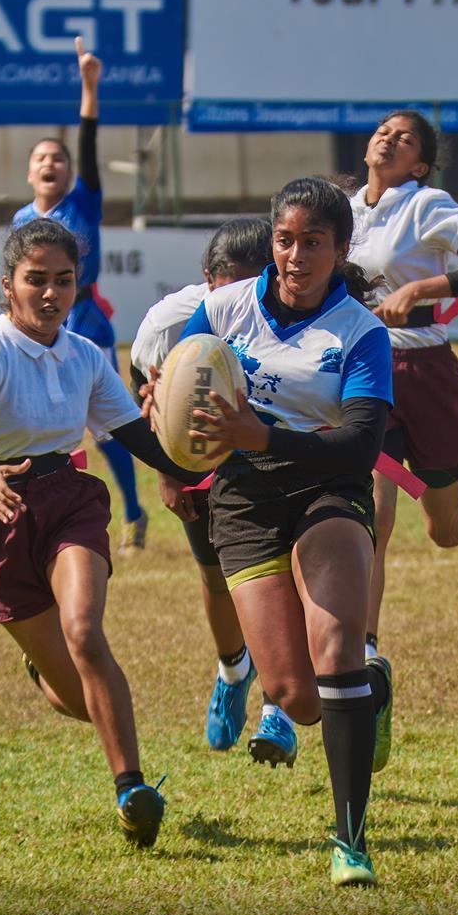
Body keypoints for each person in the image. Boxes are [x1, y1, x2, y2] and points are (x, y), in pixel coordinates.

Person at [145, 177, 394, 886]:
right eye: (285, 239)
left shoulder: (361, 333)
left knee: (338, 645)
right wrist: (163, 402)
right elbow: (184, 391)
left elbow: (358, 446)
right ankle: (369, 691)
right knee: (296, 697)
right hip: (247, 499)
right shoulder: (223, 308)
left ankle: (350, 840)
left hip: (328, 489)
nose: (295, 255)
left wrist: (261, 431)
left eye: (313, 242)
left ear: (341, 249)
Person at [0, 219, 200, 848]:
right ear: (8, 285)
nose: (51, 293)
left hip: (68, 501)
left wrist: (200, 465)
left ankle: (131, 790)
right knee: (81, 699)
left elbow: (136, 436)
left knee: (85, 631)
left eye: (64, 280)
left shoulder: (84, 354)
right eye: (36, 281)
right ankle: (43, 672)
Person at [346, 110, 458, 663]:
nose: (389, 138)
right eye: (384, 130)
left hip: (426, 373)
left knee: (444, 530)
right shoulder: (344, 213)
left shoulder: (427, 204)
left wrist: (419, 288)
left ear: (419, 165)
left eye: (405, 138)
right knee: (371, 510)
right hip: (367, 370)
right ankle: (365, 651)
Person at [129, 218, 273, 754]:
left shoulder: (283, 310)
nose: (239, 297)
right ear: (208, 279)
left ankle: (276, 706)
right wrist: (168, 472)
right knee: (215, 579)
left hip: (266, 451)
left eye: (251, 284)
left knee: (277, 577)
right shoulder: (167, 325)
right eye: (227, 285)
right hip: (192, 454)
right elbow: (142, 401)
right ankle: (234, 671)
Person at [12, 36, 149, 555]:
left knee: (108, 425)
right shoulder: (20, 222)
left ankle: (134, 511)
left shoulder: (84, 202)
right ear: (30, 172)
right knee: (43, 422)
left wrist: (89, 87)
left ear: (69, 174)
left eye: (59, 158)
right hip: (37, 330)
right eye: (42, 158)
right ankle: (49, 514)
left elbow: (88, 142)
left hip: (86, 321)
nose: (51, 163)